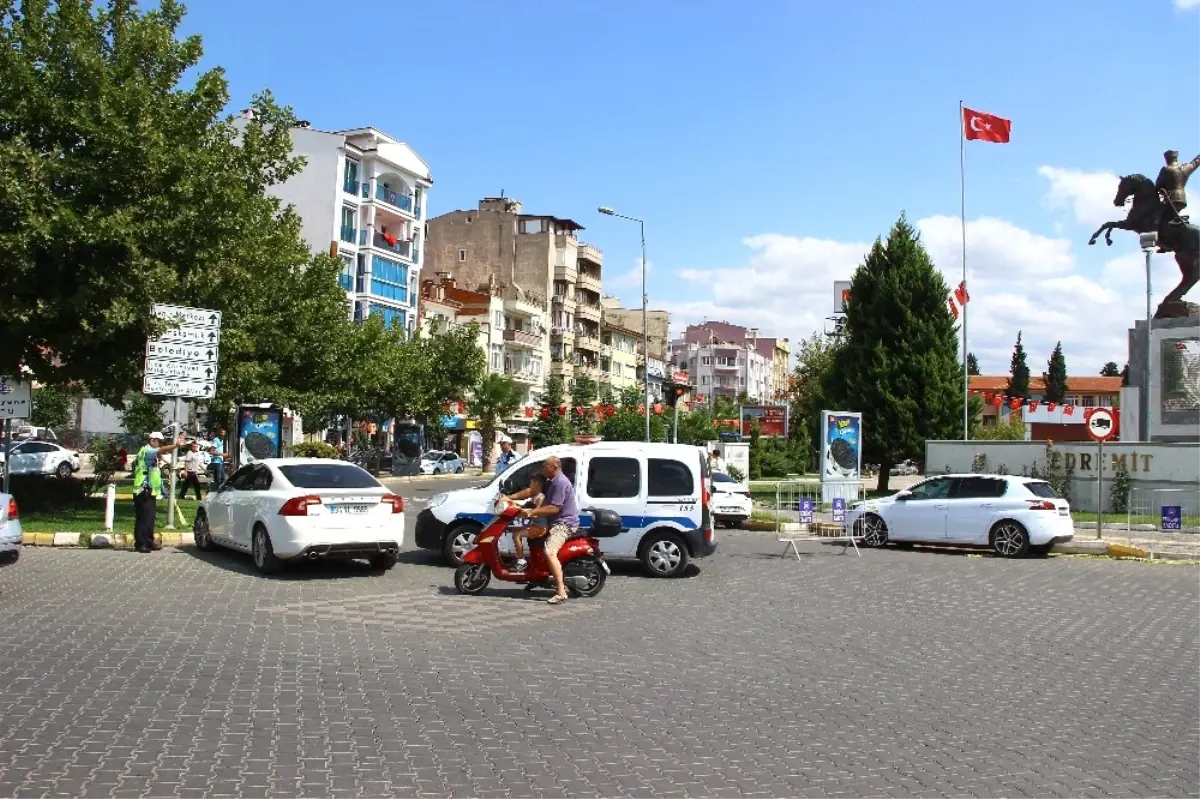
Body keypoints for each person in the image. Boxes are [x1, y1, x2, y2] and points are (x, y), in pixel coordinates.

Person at [504, 457, 578, 604]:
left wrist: (532, 512)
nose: (543, 468)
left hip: (563, 524)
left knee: (549, 552)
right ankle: (536, 575)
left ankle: (561, 591)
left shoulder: (560, 483)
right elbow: (531, 491)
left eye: (545, 466)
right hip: (553, 522)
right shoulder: (550, 481)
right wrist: (508, 498)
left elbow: (554, 508)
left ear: (553, 467)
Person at [132, 431, 187, 554]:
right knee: (143, 518)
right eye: (159, 442)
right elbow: (161, 451)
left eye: (161, 442)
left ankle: (149, 540)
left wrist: (164, 491)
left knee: (150, 518)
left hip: (150, 491)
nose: (160, 444)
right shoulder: (147, 451)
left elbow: (156, 472)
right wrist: (176, 445)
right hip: (143, 490)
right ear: (152, 441)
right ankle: (141, 543)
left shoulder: (152, 455)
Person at [509, 472, 546, 572]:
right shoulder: (535, 496)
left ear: (537, 484)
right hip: (534, 524)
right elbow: (525, 506)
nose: (529, 485)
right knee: (514, 530)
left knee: (516, 535)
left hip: (539, 528)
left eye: (531, 483)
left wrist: (525, 513)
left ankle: (521, 560)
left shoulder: (540, 498)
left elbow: (537, 512)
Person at [208, 428, 226, 492]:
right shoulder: (216, 440)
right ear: (219, 433)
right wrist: (223, 454)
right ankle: (216, 491)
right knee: (218, 479)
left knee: (223, 478)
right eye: (221, 432)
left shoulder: (223, 440)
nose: (223, 434)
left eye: (224, 432)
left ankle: (220, 491)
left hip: (221, 461)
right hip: (216, 462)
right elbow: (211, 452)